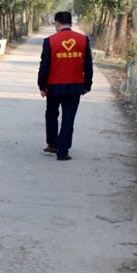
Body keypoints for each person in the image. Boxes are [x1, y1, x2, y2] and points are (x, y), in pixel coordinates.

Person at [38, 11, 93, 161]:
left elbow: (44, 65)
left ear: (57, 24)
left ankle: (52, 144)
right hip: (75, 86)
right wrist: (87, 85)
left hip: (54, 86)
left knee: (51, 114)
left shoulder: (50, 41)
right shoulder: (83, 40)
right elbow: (88, 65)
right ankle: (63, 151)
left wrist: (42, 86)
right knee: (68, 118)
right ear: (71, 23)